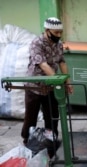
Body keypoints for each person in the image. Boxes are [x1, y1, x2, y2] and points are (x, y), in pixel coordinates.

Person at [21, 17, 73, 145]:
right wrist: (58, 81)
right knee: (31, 117)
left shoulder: (58, 45)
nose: (59, 35)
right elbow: (43, 65)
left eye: (60, 32)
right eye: (56, 33)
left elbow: (62, 62)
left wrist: (68, 81)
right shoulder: (36, 44)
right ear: (47, 30)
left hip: (50, 86)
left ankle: (51, 140)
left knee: (52, 115)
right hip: (34, 86)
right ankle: (28, 140)